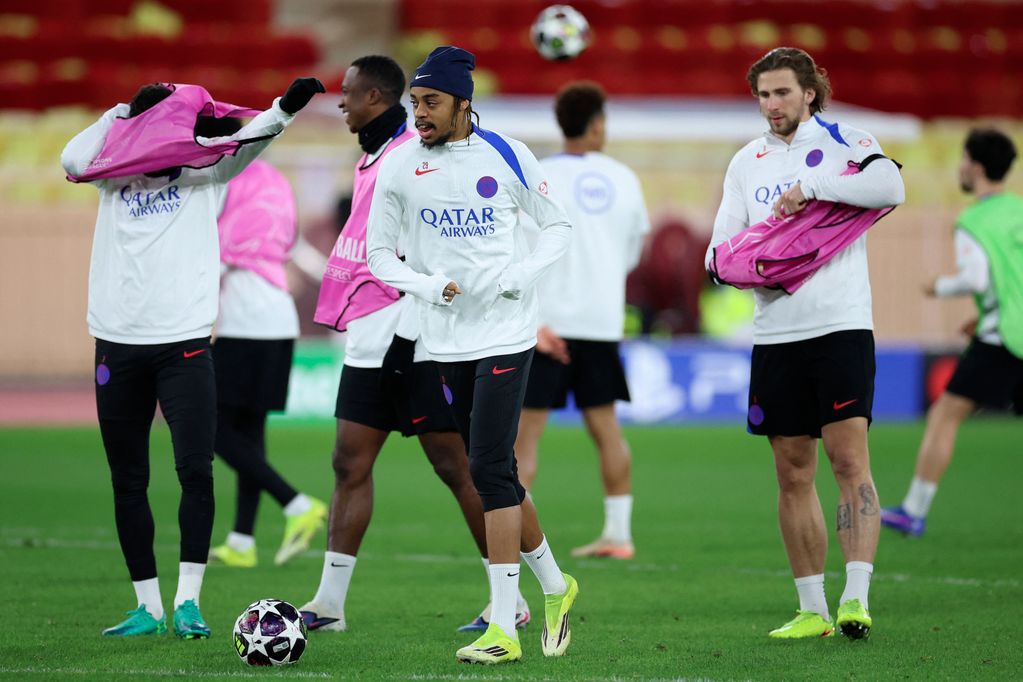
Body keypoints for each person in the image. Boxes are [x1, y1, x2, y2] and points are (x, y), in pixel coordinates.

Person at [61, 77, 325, 638]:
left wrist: (284, 107)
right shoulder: (111, 176)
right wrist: (120, 111)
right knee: (127, 478)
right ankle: (146, 606)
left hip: (183, 345)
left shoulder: (204, 174)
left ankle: (188, 602)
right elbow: (70, 155)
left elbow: (253, 138)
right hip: (115, 342)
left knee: (194, 471)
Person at [296, 55, 529, 634]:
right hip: (370, 342)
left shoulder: (416, 159)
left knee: (463, 468)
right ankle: (329, 603)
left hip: (419, 338)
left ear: (376, 97)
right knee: (348, 459)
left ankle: (513, 600)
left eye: (348, 94)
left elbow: (433, 255)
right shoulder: (375, 157)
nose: (340, 102)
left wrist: (408, 335)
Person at [367, 45, 579, 665]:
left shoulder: (508, 153)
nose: (419, 116)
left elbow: (558, 226)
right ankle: (557, 587)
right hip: (443, 339)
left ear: (464, 102)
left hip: (508, 333)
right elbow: (380, 256)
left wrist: (520, 275)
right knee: (497, 473)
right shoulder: (401, 167)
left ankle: (504, 631)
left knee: (487, 467)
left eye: (430, 103)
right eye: (414, 104)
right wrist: (426, 286)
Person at [705, 47, 904, 640]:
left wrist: (810, 187)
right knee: (792, 472)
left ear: (810, 93)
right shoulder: (746, 162)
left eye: (782, 93)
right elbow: (720, 249)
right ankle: (812, 610)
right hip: (775, 334)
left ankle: (856, 599)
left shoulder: (847, 141)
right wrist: (741, 263)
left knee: (849, 462)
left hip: (840, 326)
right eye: (763, 94)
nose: (772, 105)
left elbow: (891, 185)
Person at [513, 81, 650, 560]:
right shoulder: (625, 179)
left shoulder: (538, 175)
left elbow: (521, 249)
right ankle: (618, 535)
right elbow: (633, 251)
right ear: (596, 124)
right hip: (601, 321)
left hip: (545, 325)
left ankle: (509, 536)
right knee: (606, 429)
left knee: (524, 438)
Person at [200, 116, 327, 569]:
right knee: (250, 433)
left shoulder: (223, 180)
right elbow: (293, 249)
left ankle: (295, 504)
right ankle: (241, 541)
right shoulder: (275, 183)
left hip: (244, 323)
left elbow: (212, 256)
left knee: (209, 426)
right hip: (278, 321)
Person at [881, 129, 1022, 537]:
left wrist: (937, 286)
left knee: (944, 416)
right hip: (1011, 324)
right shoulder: (1019, 211)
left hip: (1004, 340)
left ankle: (914, 510)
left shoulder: (974, 220)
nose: (960, 167)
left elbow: (976, 278)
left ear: (975, 166)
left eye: (962, 159)